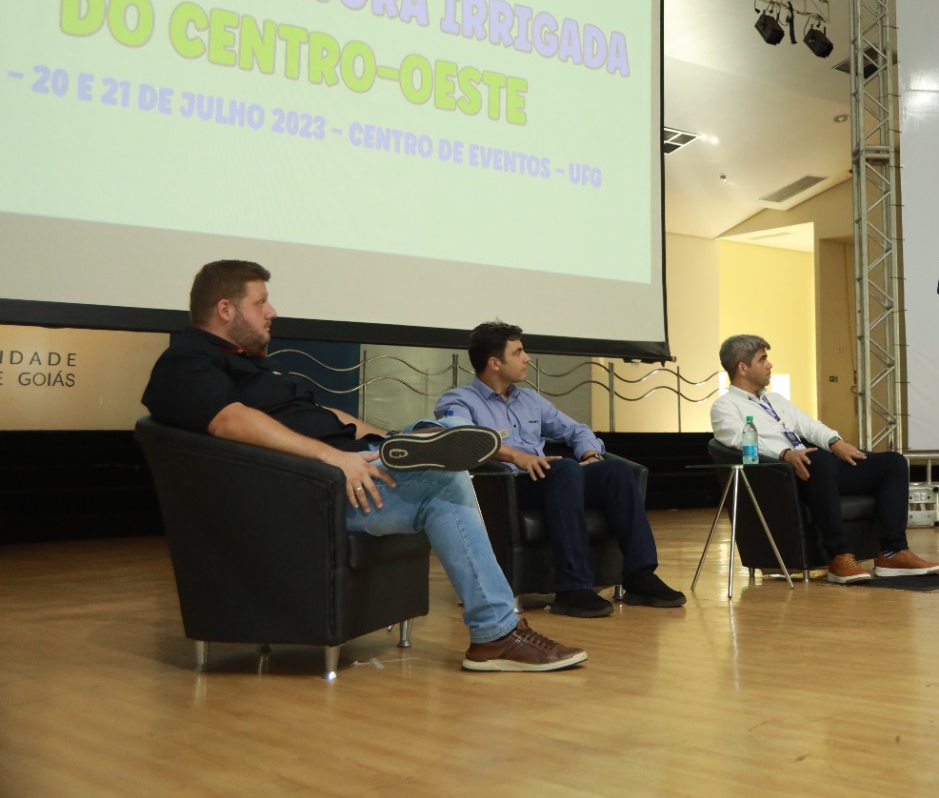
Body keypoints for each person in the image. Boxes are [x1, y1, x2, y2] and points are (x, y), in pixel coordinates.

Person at [141, 260, 586, 673]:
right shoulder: (187, 361)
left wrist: (384, 441)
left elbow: (328, 417)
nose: (271, 312)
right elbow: (229, 421)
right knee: (443, 484)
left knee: (445, 431)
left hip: (352, 464)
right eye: (260, 303)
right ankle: (496, 634)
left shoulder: (254, 368)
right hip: (314, 490)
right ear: (224, 309)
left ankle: (420, 441)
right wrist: (336, 458)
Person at [434, 321, 685, 618]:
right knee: (564, 470)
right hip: (508, 484)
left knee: (615, 472)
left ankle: (639, 576)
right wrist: (516, 456)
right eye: (518, 352)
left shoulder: (529, 400)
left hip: (552, 478)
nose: (527, 358)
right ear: (494, 363)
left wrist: (591, 454)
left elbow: (575, 429)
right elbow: (460, 438)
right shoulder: (459, 400)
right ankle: (572, 588)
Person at [709, 334, 939, 584]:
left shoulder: (775, 400)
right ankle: (839, 556)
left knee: (893, 463)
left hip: (817, 468)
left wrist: (835, 442)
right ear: (742, 368)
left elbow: (810, 426)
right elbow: (738, 439)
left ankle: (893, 552)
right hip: (782, 475)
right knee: (818, 460)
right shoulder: (725, 406)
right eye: (762, 359)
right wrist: (784, 454)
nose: (769, 365)